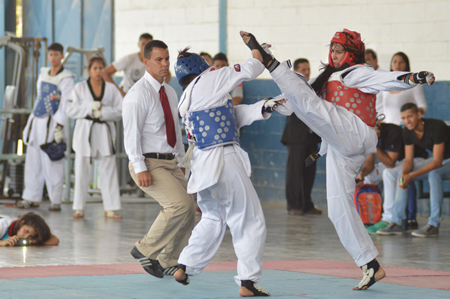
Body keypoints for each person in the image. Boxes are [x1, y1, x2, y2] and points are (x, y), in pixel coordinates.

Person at [239, 29, 434, 290]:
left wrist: (412, 77)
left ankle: (270, 61)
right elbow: (298, 101)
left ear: (351, 54)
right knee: (337, 208)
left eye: (339, 50)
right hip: (341, 145)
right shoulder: (327, 78)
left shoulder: (356, 72)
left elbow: (384, 79)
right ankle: (370, 265)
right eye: (332, 49)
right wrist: (272, 104)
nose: (333, 54)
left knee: (307, 100)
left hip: (355, 133)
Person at [172, 47, 284, 297]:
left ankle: (185, 265)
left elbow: (229, 117)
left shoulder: (187, 97)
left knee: (213, 218)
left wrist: (264, 107)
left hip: (202, 166)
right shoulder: (210, 79)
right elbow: (250, 68)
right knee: (249, 218)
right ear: (200, 66)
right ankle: (248, 281)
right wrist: (258, 50)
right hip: (223, 159)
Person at [122, 40, 196, 278]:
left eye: (167, 59)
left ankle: (168, 258)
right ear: (146, 62)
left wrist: (181, 163)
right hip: (148, 163)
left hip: (170, 162)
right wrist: (139, 166)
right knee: (179, 205)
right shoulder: (137, 95)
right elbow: (131, 135)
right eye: (159, 60)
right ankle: (144, 249)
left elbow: (175, 129)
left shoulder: (171, 92)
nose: (165, 64)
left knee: (191, 208)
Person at [377, 103, 450, 237]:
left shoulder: (436, 127)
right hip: (441, 160)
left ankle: (433, 225)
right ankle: (397, 222)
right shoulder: (407, 131)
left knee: (434, 174)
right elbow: (409, 160)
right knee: (401, 174)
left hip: (444, 160)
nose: (406, 121)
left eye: (409, 116)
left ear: (418, 115)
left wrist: (412, 175)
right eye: (403, 118)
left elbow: (437, 162)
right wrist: (405, 175)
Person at [18, 43, 75, 211]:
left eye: (56, 54)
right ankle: (31, 197)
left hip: (53, 123)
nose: (53, 58)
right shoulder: (43, 73)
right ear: (47, 56)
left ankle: (55, 200)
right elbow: (39, 97)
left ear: (62, 56)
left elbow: (65, 104)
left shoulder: (66, 78)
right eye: (50, 54)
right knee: (33, 159)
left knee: (52, 160)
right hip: (37, 120)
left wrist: (59, 126)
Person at [66, 55, 123, 219]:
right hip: (85, 132)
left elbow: (121, 110)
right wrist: (90, 108)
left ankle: (111, 209)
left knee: (109, 169)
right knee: (82, 170)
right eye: (95, 68)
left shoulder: (111, 88)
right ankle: (79, 209)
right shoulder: (80, 87)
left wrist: (103, 112)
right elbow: (70, 110)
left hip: (104, 132)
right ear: (89, 70)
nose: (98, 71)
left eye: (101, 68)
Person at [356, 123, 428, 234]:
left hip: (416, 159)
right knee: (369, 177)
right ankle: (372, 217)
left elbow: (390, 163)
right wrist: (362, 174)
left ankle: (388, 219)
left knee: (388, 173)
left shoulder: (393, 131)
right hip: (397, 162)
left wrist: (374, 144)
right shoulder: (367, 135)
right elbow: (370, 163)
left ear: (378, 125)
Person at [281, 58, 322, 215]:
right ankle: (294, 205)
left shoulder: (312, 87)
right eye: (303, 69)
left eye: (308, 69)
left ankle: (307, 204)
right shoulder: (289, 86)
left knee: (309, 171)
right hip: (296, 136)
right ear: (295, 72)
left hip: (312, 137)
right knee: (295, 172)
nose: (306, 72)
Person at [103, 33, 171, 97]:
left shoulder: (155, 60)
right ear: (139, 44)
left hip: (146, 97)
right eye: (143, 44)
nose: (145, 47)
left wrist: (160, 89)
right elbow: (105, 73)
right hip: (128, 95)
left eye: (148, 45)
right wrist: (120, 92)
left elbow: (167, 74)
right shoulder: (129, 59)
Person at [376, 52, 427, 125]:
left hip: (406, 126)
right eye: (395, 62)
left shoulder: (414, 83)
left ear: (407, 65)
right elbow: (385, 110)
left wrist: (411, 115)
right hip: (389, 128)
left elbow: (423, 107)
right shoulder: (386, 84)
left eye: (401, 62)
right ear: (391, 65)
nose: (397, 65)